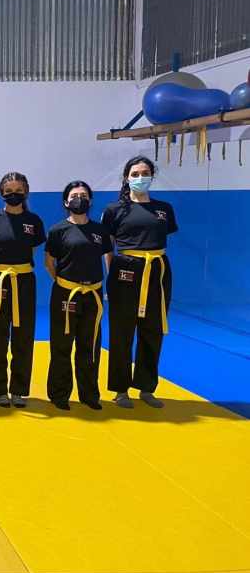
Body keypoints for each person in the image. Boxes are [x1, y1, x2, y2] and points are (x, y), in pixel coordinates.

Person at [101, 156, 177, 409]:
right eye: (135, 174)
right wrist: (112, 277)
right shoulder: (114, 210)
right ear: (126, 178)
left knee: (153, 330)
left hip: (157, 270)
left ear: (152, 175)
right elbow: (108, 247)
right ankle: (120, 389)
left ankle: (146, 387)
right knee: (122, 331)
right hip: (125, 270)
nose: (140, 177)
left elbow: (163, 237)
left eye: (145, 173)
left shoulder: (164, 209)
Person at [0, 172, 45, 408]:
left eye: (18, 191)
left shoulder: (33, 221)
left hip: (25, 281)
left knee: (23, 336)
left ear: (26, 192)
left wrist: (17, 268)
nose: (13, 194)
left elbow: (32, 249)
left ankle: (18, 390)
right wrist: (0, 268)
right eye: (8, 191)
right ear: (1, 194)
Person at [44, 181, 110, 410]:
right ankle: (59, 394)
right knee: (62, 345)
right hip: (66, 294)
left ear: (90, 201)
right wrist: (64, 283)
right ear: (66, 202)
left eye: (83, 195)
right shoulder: (57, 230)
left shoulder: (100, 231)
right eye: (74, 195)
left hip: (93, 295)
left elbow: (107, 256)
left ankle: (89, 395)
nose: (78, 199)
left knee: (89, 345)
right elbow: (49, 262)